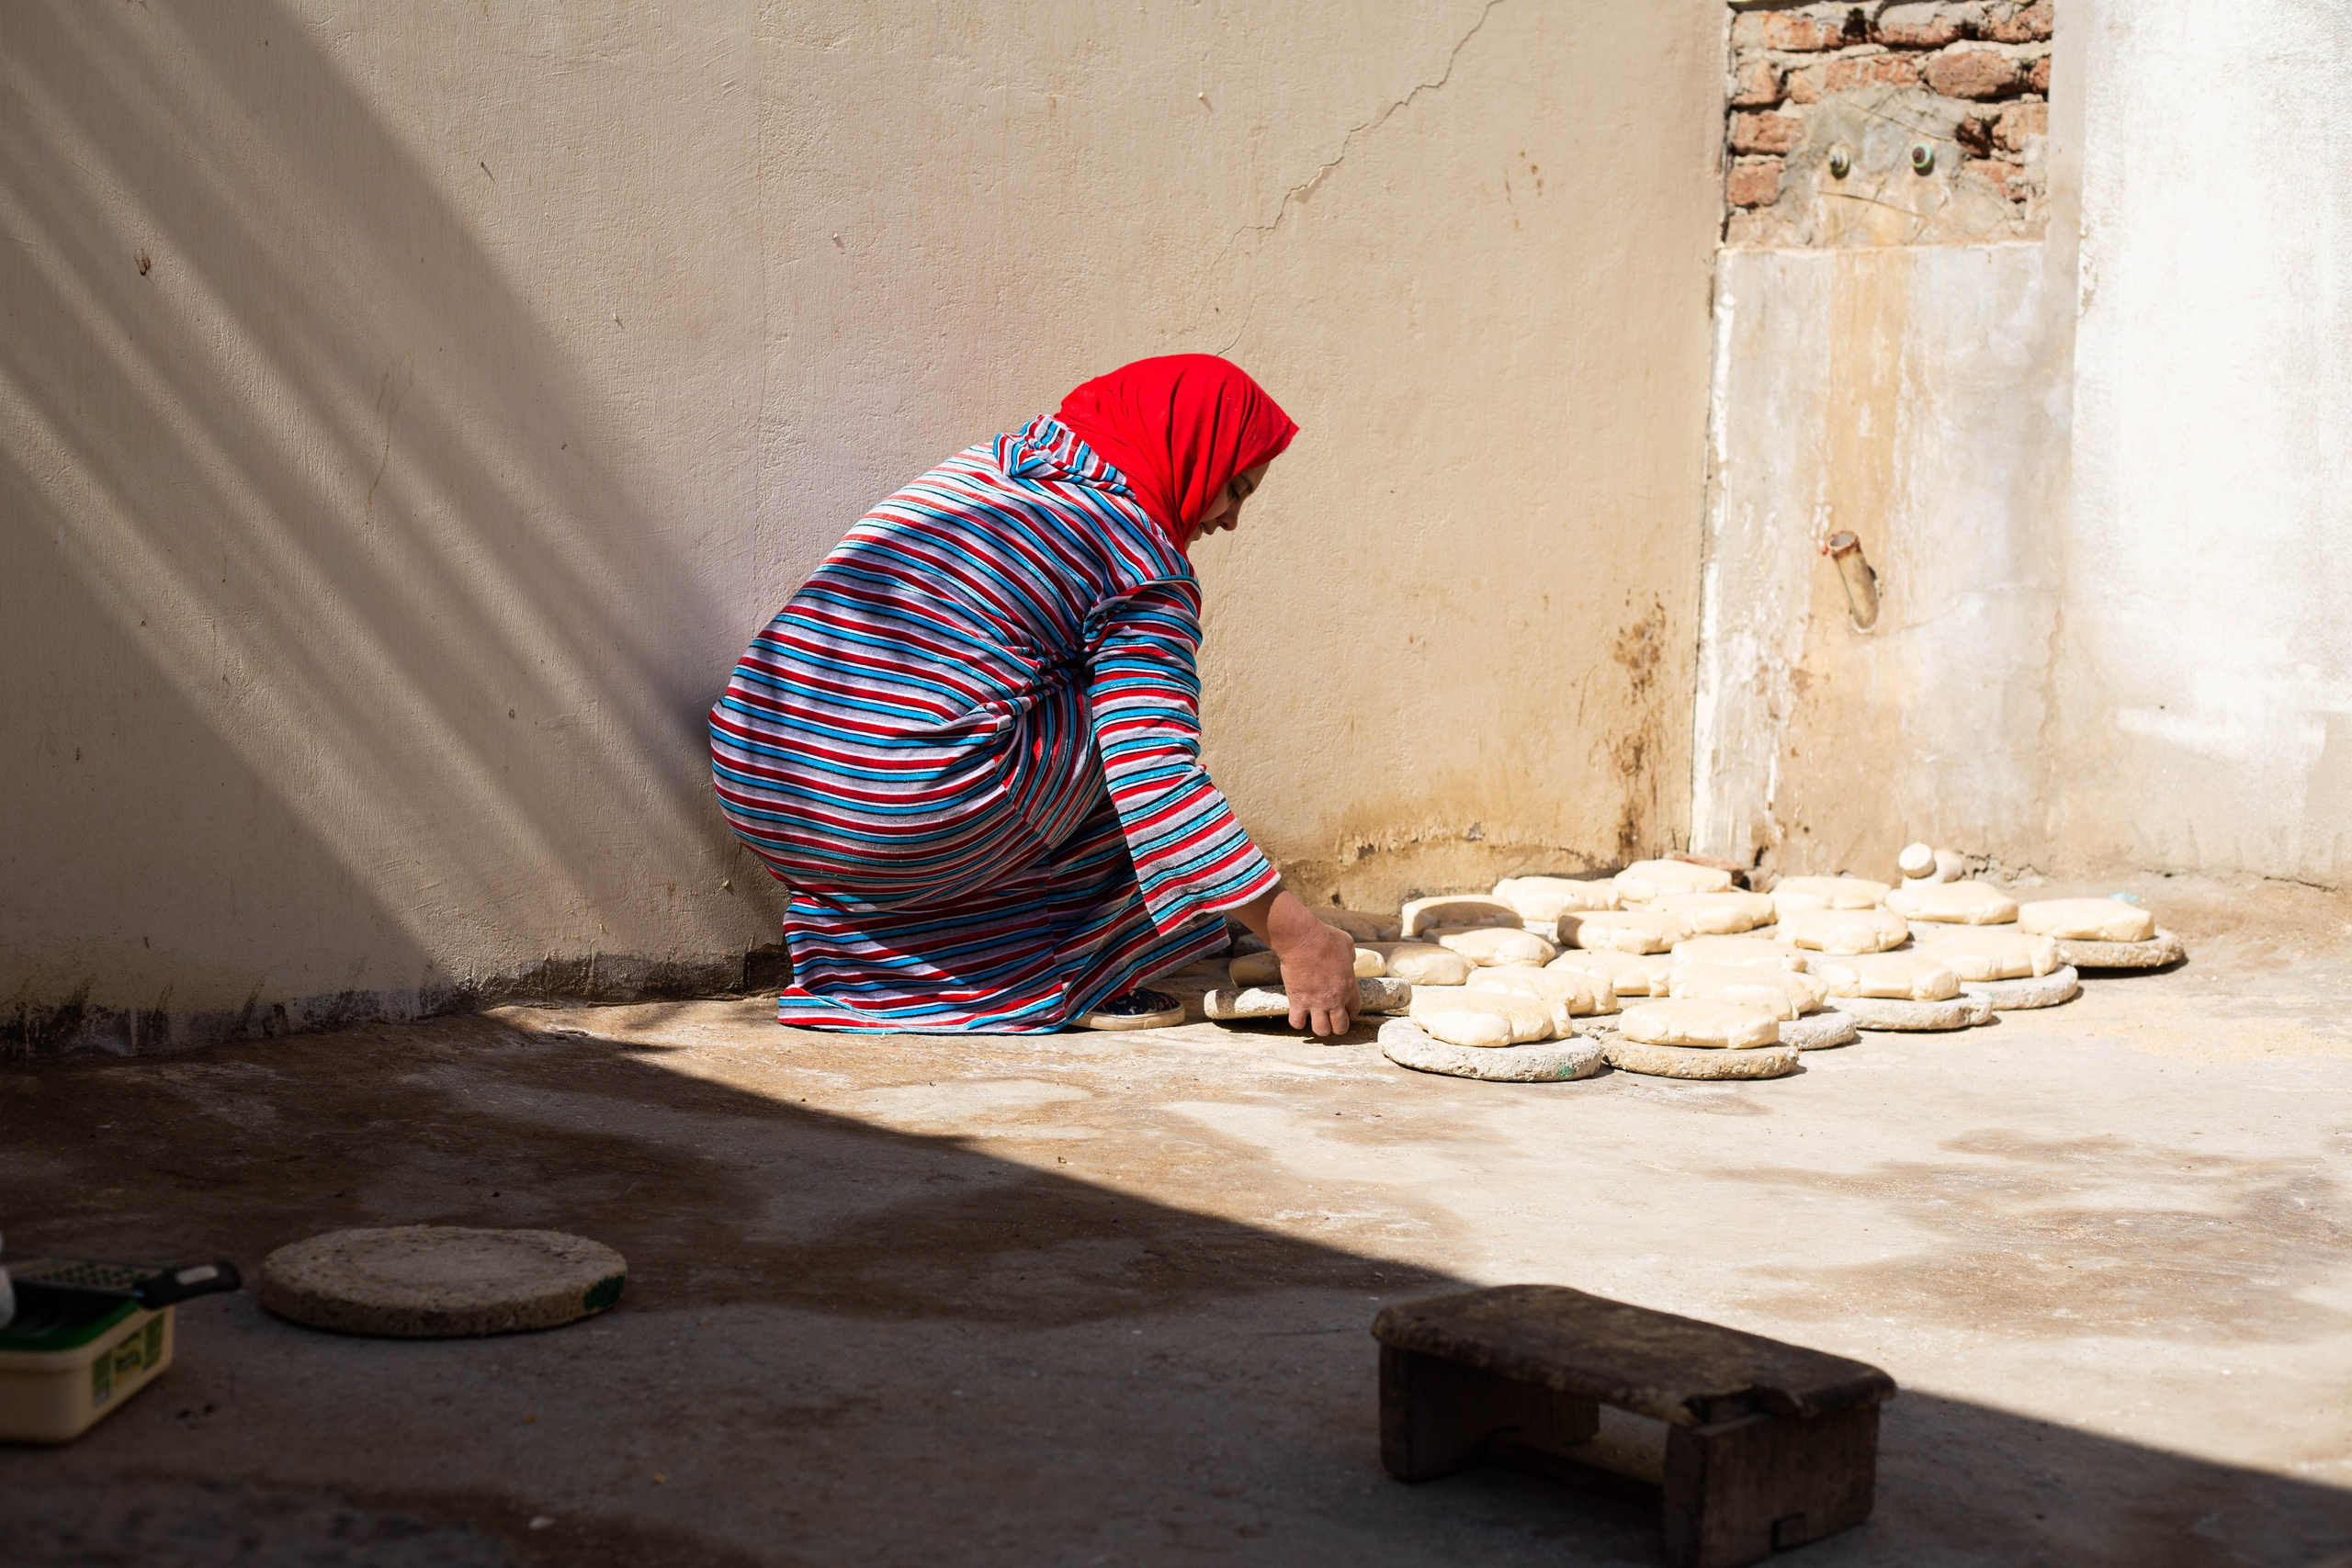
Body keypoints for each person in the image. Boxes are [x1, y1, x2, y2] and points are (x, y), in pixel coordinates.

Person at [710, 355, 1363, 1036]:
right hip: (892, 816)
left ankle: (880, 964)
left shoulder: (993, 468)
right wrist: (1298, 936)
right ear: (1193, 451)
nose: (1230, 520)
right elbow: (1154, 773)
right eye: (1236, 488)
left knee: (1032, 700)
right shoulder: (1139, 554)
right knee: (1131, 723)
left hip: (756, 778)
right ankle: (1065, 971)